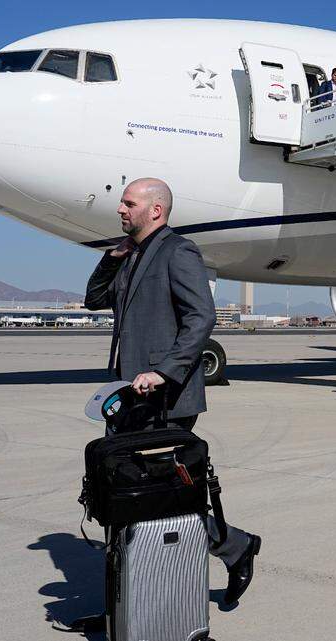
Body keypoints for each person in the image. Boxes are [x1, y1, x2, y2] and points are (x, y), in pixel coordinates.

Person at [84, 178, 261, 609]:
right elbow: (92, 300)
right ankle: (128, 601)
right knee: (134, 495)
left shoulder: (178, 251)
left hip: (167, 398)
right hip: (129, 395)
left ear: (156, 211)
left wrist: (165, 372)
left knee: (160, 497)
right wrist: (111, 259)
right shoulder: (131, 255)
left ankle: (230, 547)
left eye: (129, 203)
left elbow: (200, 318)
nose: (121, 210)